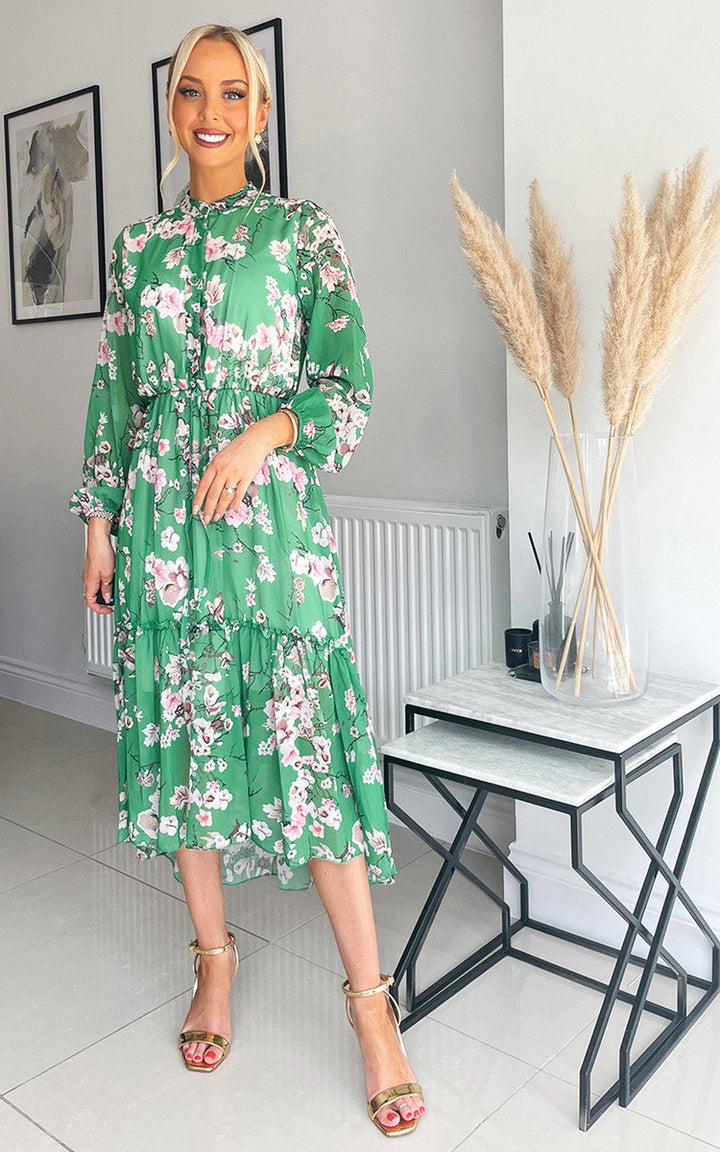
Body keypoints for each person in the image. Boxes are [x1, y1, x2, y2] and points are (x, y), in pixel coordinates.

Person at [69, 22, 425, 1138]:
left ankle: (373, 1010)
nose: (211, 110)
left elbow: (348, 387)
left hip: (270, 531)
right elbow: (115, 397)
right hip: (162, 536)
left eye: (234, 93)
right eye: (192, 92)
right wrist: (98, 526)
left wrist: (265, 430)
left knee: (308, 750)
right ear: (172, 111)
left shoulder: (303, 232)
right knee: (186, 748)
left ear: (261, 116)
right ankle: (212, 964)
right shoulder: (137, 252)